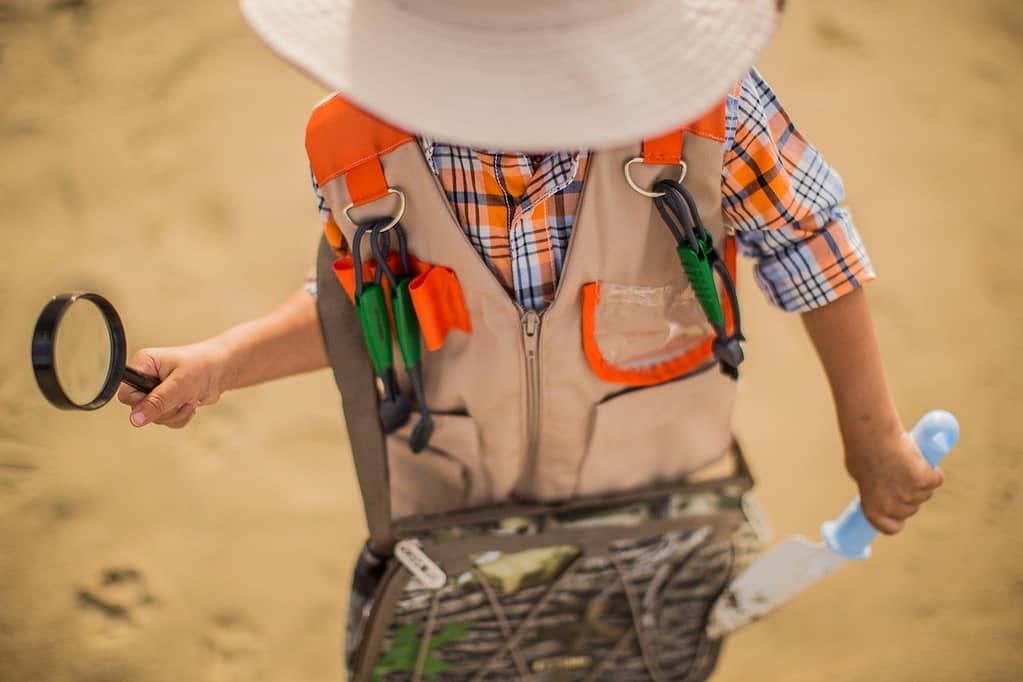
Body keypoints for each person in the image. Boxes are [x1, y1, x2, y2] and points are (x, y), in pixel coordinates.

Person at [117, 0, 944, 672]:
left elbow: (810, 235)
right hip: (452, 542)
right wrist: (225, 360)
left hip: (651, 530)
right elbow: (360, 312)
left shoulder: (709, 113)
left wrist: (868, 438)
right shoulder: (354, 146)